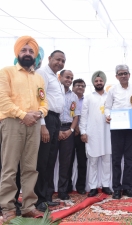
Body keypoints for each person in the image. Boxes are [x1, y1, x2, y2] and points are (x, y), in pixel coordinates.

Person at [0, 36, 48, 222]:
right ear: (17, 53)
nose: (27, 54)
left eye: (31, 51)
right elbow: (3, 100)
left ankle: (28, 206)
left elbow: (43, 101)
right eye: (24, 50)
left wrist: (39, 112)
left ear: (35, 56)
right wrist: (23, 115)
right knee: (9, 167)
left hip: (34, 123)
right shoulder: (6, 72)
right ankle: (7, 207)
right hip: (13, 123)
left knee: (30, 168)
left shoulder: (38, 78)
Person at [105, 64, 132, 199]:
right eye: (120, 74)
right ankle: (116, 188)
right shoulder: (112, 90)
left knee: (129, 159)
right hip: (116, 128)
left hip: (131, 128)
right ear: (116, 76)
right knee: (116, 159)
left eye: (125, 73)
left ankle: (127, 187)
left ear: (129, 74)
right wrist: (107, 115)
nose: (123, 76)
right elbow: (107, 107)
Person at [34, 50, 66, 212]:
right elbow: (38, 99)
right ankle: (38, 199)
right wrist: (42, 125)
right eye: (57, 60)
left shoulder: (57, 78)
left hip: (55, 120)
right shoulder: (42, 73)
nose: (60, 63)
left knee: (51, 160)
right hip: (46, 119)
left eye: (63, 61)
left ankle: (47, 197)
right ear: (49, 59)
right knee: (42, 160)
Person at [80, 71, 113, 197]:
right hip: (92, 133)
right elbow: (83, 116)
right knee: (92, 161)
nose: (99, 83)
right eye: (96, 81)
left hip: (107, 133)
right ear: (93, 83)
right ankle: (93, 186)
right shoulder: (88, 97)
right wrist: (83, 132)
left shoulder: (109, 96)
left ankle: (105, 185)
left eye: (101, 81)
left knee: (106, 160)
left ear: (104, 82)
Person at [55, 70, 80, 200]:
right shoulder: (53, 92)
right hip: (54, 129)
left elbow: (76, 116)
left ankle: (62, 191)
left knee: (66, 162)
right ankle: (47, 191)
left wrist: (70, 130)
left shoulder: (74, 96)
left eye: (71, 78)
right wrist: (57, 130)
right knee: (50, 161)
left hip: (68, 129)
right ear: (60, 77)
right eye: (67, 77)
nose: (69, 80)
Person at [67, 78, 87, 195]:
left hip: (82, 135)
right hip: (69, 132)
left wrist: (81, 129)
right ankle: (67, 186)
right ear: (73, 87)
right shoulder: (68, 98)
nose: (80, 87)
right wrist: (73, 127)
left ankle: (81, 186)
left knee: (82, 162)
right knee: (68, 161)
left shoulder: (87, 100)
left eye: (83, 86)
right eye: (78, 85)